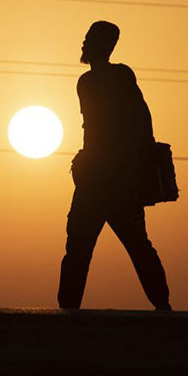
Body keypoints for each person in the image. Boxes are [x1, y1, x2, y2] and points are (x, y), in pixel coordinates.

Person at [57, 20, 171, 311]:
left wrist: (132, 174)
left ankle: (164, 310)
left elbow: (141, 124)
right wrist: (83, 160)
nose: (84, 43)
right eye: (85, 37)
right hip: (92, 180)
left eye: (91, 39)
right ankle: (65, 316)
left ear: (106, 45)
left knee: (138, 246)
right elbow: (91, 128)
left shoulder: (121, 76)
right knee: (77, 249)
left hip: (120, 180)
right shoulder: (85, 82)